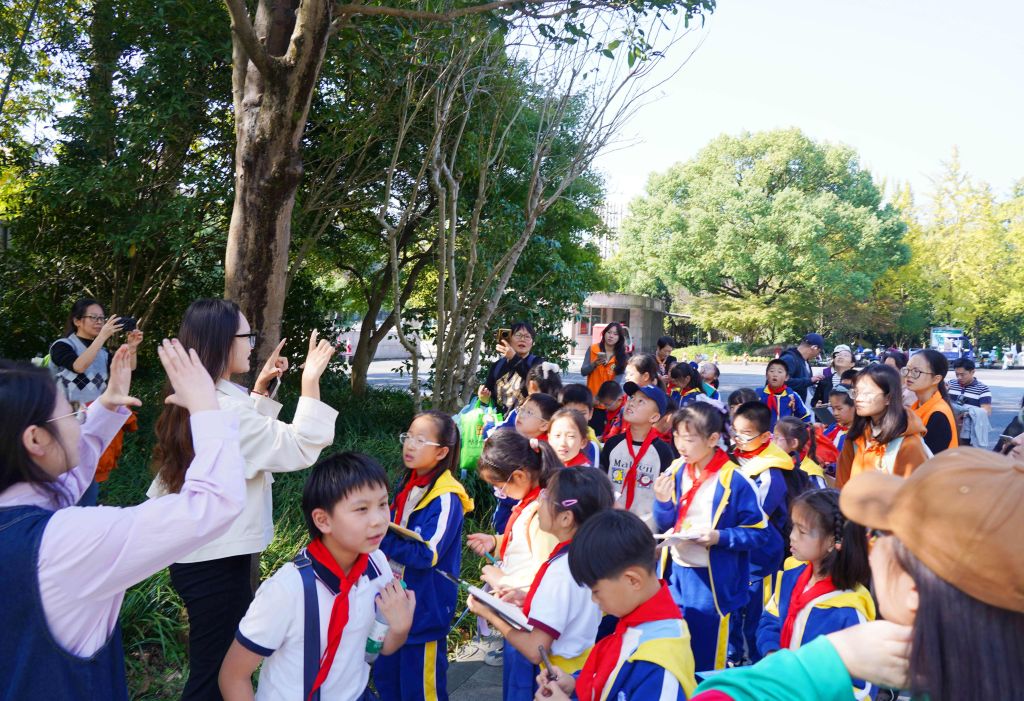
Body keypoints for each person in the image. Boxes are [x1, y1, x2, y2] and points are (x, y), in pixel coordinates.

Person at [0, 339, 246, 698]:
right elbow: (214, 503)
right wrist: (207, 409)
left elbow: (56, 486)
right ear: (35, 439)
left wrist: (105, 406)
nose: (79, 419)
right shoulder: (64, 544)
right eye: (72, 412)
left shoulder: (20, 520)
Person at [691, 448, 1024, 700]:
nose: (869, 547)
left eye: (880, 534)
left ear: (915, 589)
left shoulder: (848, 612)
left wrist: (825, 660)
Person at [149, 298, 339, 701]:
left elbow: (237, 447)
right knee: (215, 677)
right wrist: (310, 383)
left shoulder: (204, 397)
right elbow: (299, 446)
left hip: (205, 554)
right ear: (221, 341)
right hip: (215, 562)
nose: (252, 345)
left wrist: (258, 393)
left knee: (215, 668)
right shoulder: (224, 407)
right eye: (246, 336)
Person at [219, 454, 416, 701]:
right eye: (361, 509)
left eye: (383, 504)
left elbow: (374, 649)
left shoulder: (377, 565)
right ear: (323, 520)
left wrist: (400, 628)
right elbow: (233, 676)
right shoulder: (288, 590)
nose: (378, 520)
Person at [470, 468, 613, 701]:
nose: (538, 502)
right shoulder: (588, 556)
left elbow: (535, 649)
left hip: (557, 677)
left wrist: (489, 613)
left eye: (546, 497)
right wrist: (530, 599)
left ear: (566, 518)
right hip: (579, 669)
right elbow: (571, 607)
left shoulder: (561, 570)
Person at [652, 403, 771, 672]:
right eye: (676, 437)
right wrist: (662, 502)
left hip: (711, 581)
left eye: (689, 439)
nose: (681, 445)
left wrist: (719, 537)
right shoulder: (677, 469)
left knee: (706, 656)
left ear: (713, 439)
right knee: (674, 648)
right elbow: (666, 522)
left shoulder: (735, 480)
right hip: (675, 574)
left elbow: (759, 533)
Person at [533, 509, 697, 701]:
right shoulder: (640, 623)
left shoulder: (659, 662)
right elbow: (615, 678)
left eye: (596, 591)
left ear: (632, 580)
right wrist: (575, 683)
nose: (594, 600)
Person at [375, 412, 474, 701]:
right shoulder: (408, 484)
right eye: (408, 437)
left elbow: (427, 554)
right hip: (390, 607)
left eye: (420, 440)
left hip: (424, 613)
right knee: (388, 684)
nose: (409, 445)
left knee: (421, 691)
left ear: (442, 452)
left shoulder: (446, 497)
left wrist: (380, 537)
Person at [757, 489, 875, 699]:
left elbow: (861, 688)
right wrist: (772, 653)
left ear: (831, 541)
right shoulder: (790, 578)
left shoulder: (849, 609)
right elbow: (771, 619)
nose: (792, 536)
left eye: (802, 531)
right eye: (793, 526)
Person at [729, 401, 808, 664]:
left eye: (745, 434)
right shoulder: (734, 458)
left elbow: (756, 517)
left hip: (760, 559)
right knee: (732, 613)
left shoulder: (770, 472)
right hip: (734, 551)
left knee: (757, 618)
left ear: (765, 437)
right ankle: (733, 658)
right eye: (735, 431)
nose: (738, 438)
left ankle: (759, 664)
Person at [49, 298, 144, 505]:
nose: (99, 322)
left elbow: (127, 369)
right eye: (94, 317)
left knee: (88, 479)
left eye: (102, 318)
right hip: (64, 425)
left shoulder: (103, 353)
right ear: (77, 321)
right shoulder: (61, 346)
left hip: (93, 423)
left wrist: (132, 348)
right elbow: (79, 366)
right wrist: (102, 337)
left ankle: (82, 516)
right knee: (62, 480)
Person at [835, 364, 930, 488]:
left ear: (888, 398)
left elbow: (913, 494)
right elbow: (841, 485)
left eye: (867, 393)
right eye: (856, 392)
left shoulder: (909, 444)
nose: (858, 398)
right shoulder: (856, 436)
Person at [600, 382, 674, 529]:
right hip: (611, 524)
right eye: (632, 397)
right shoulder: (613, 444)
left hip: (646, 528)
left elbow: (667, 492)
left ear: (654, 417)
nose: (632, 403)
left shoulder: (663, 452)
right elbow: (602, 480)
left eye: (641, 401)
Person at [479, 321, 544, 414]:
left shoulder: (538, 363)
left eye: (527, 336)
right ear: (509, 339)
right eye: (518, 335)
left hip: (525, 420)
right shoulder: (497, 366)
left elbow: (536, 384)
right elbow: (489, 397)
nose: (523, 339)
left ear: (532, 343)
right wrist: (484, 399)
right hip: (499, 421)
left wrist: (514, 358)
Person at [904, 349, 957, 455]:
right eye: (907, 369)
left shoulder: (938, 415)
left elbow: (927, 458)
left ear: (936, 379)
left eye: (916, 371)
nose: (909, 375)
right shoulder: (917, 406)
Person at [947, 357, 992, 446]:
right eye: (957, 374)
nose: (959, 377)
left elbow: (987, 411)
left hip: (968, 432)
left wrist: (967, 412)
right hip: (949, 427)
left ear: (972, 372)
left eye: (962, 374)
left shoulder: (983, 389)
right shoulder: (950, 384)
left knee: (964, 452)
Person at [757, 358, 812, 431]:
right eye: (772, 371)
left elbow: (805, 416)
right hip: (763, 435)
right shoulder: (758, 394)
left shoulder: (792, 396)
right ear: (766, 375)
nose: (775, 374)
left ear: (786, 377)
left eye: (780, 372)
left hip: (785, 436)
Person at [773, 417, 827, 489]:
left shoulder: (811, 472)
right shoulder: (779, 462)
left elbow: (821, 496)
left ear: (794, 443)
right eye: (773, 437)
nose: (772, 442)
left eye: (777, 438)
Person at [559, 384, 601, 464]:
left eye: (582, 413)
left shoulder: (592, 445)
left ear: (590, 413)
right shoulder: (552, 439)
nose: (576, 417)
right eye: (570, 412)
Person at [582, 323, 627, 397]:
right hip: (592, 398)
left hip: (609, 399)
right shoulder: (592, 349)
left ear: (619, 338)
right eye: (609, 332)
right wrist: (594, 364)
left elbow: (616, 382)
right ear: (604, 333)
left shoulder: (621, 356)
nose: (611, 336)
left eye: (615, 334)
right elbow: (583, 372)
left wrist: (603, 398)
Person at [778, 333, 824, 404]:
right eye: (819, 351)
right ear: (814, 347)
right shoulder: (789, 359)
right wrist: (810, 380)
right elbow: (780, 382)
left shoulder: (805, 361)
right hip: (788, 407)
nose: (818, 355)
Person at [824, 387, 855, 454]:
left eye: (839, 409)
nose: (835, 413)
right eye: (833, 409)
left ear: (854, 407)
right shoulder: (833, 428)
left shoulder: (858, 435)